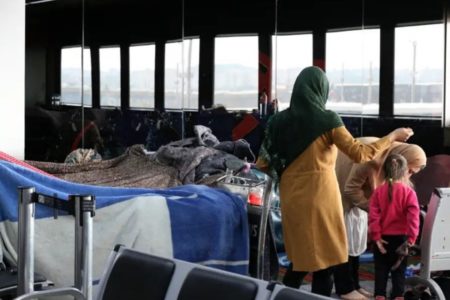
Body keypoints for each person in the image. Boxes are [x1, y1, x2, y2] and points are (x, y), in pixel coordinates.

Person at [255, 66, 414, 297]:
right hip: (322, 198)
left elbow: (263, 164)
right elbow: (360, 153)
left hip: (292, 198)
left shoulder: (277, 122)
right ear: (321, 90)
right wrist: (392, 137)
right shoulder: (327, 119)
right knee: (327, 256)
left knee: (302, 257)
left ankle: (281, 294)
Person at [334, 138, 426, 300]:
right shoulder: (372, 159)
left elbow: (376, 213)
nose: (409, 176)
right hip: (343, 198)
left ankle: (364, 289)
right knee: (345, 245)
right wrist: (411, 239)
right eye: (409, 171)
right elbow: (350, 189)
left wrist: (376, 233)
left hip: (380, 235)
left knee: (361, 251)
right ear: (402, 164)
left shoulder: (385, 179)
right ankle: (346, 288)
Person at [369, 153, 420, 300]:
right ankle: (398, 296)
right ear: (405, 172)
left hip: (382, 240)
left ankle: (379, 296)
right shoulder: (409, 192)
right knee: (399, 272)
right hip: (401, 240)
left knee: (381, 271)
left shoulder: (378, 191)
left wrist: (377, 237)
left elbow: (374, 216)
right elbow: (414, 218)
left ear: (385, 171)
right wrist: (411, 240)